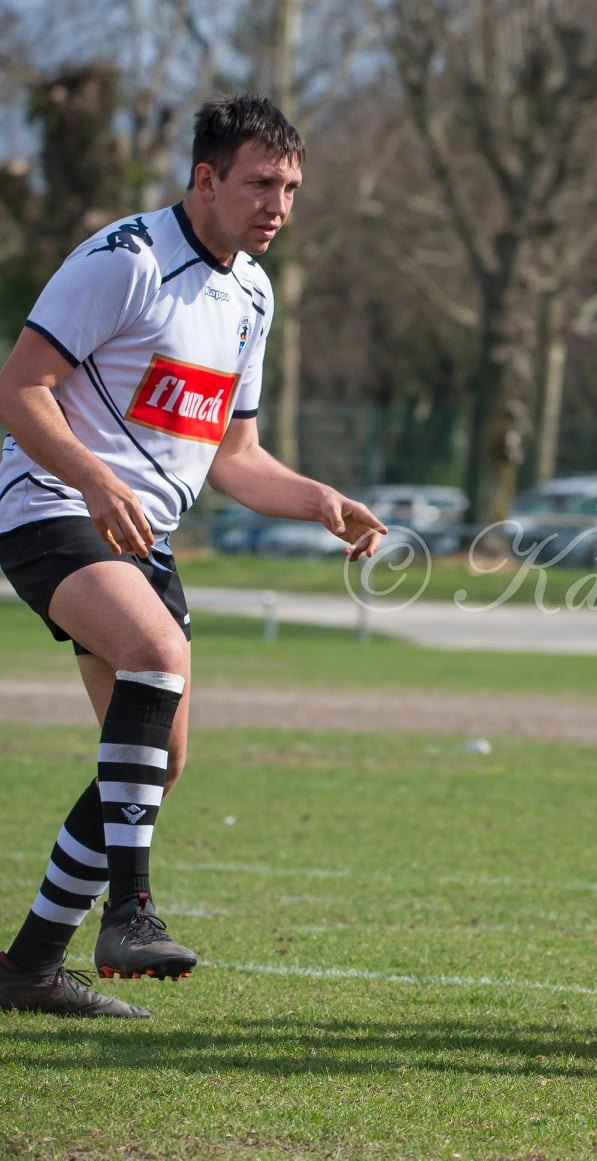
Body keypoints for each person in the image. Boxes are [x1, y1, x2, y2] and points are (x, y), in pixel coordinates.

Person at [0, 94, 386, 1020]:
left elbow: (236, 457)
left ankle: (26, 969)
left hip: (141, 534)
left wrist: (319, 501)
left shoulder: (251, 292)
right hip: (49, 503)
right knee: (158, 657)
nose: (278, 205)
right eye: (260, 183)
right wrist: (93, 481)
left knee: (155, 762)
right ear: (205, 180)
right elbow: (19, 391)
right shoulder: (124, 262)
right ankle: (129, 913)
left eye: (291, 187)